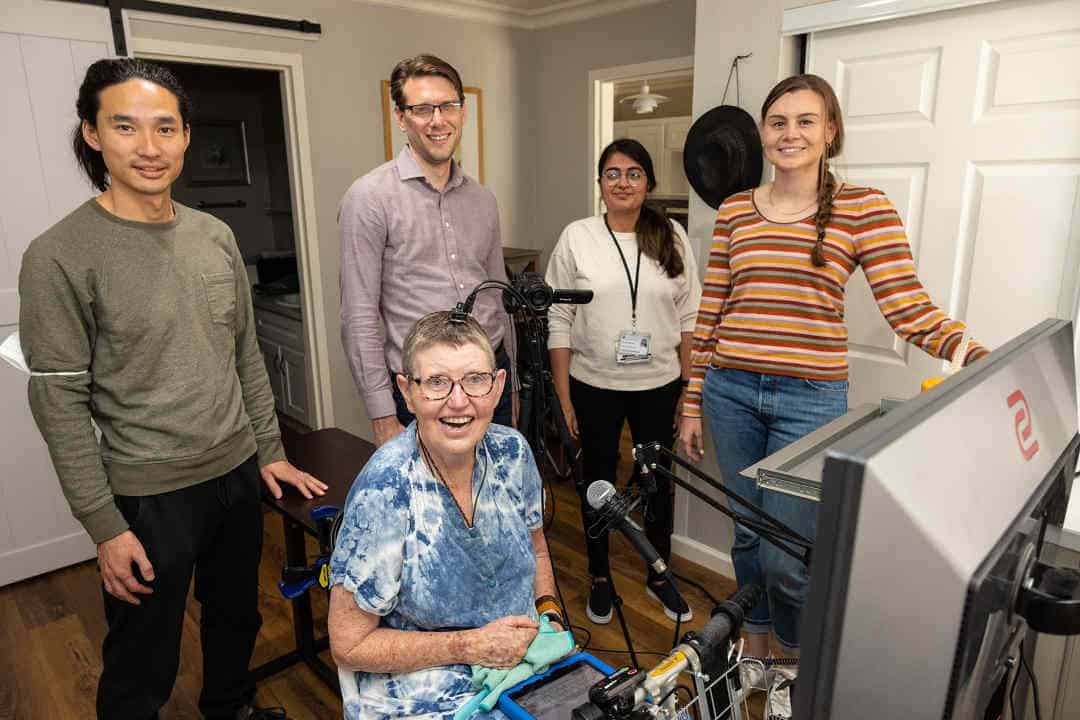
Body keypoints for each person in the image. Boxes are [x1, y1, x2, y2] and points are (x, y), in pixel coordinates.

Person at [18, 58, 327, 720]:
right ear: (93, 134)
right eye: (126, 126)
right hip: (147, 493)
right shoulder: (59, 255)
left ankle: (231, 707)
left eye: (166, 128)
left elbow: (243, 351)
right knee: (144, 652)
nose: (150, 148)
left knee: (235, 615)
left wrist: (269, 449)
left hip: (237, 472)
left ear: (187, 135)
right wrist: (103, 525)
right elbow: (58, 400)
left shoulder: (214, 236)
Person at [677, 74, 987, 664]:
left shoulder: (863, 207)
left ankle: (797, 666)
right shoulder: (737, 209)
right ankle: (759, 656)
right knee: (747, 536)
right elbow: (711, 310)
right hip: (730, 393)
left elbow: (907, 306)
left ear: (830, 132)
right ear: (763, 135)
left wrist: (970, 351)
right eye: (777, 122)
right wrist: (693, 400)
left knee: (789, 553)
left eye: (805, 121)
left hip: (810, 402)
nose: (789, 133)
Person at [327, 311, 563, 719]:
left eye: (475, 379)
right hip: (421, 688)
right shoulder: (386, 489)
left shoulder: (513, 453)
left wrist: (549, 612)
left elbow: (537, 549)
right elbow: (349, 644)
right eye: (436, 382)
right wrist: (469, 645)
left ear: (497, 386)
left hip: (519, 663)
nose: (459, 402)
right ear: (407, 392)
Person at [546, 139, 702, 625]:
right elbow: (559, 315)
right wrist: (563, 395)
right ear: (600, 183)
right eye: (612, 173)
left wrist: (688, 391)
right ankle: (598, 576)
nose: (622, 182)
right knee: (597, 480)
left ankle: (659, 574)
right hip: (594, 381)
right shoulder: (578, 236)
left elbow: (691, 317)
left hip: (659, 382)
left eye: (633, 173)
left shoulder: (671, 236)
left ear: (649, 183)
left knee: (659, 484)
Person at [340, 54, 513, 447]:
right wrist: (382, 414)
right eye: (421, 109)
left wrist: (512, 385)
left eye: (447, 105)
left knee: (494, 498)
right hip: (424, 389)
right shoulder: (369, 198)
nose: (438, 120)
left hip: (490, 381)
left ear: (462, 112)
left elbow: (498, 294)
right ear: (401, 117)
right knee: (430, 505)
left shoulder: (483, 200)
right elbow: (359, 314)